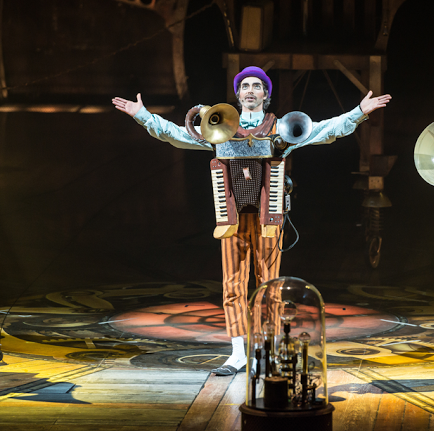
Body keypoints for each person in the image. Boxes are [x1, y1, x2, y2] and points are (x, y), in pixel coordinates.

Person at [112, 66, 391, 375]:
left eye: (256, 85)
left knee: (269, 285)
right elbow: (176, 134)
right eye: (244, 85)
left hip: (267, 217)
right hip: (232, 218)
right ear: (238, 94)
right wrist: (144, 116)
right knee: (232, 285)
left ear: (265, 94)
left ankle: (266, 349)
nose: (250, 90)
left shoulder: (279, 127)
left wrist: (358, 113)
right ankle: (238, 354)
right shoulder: (219, 127)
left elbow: (324, 131)